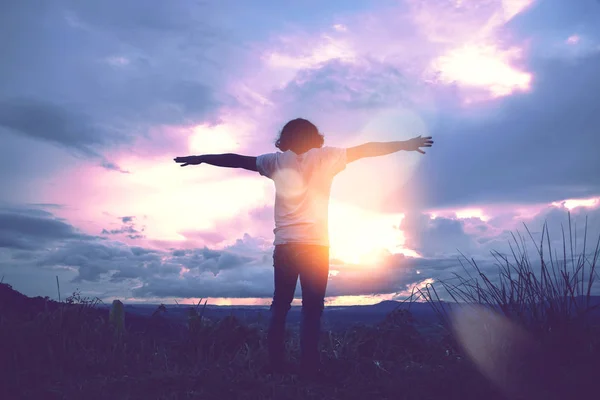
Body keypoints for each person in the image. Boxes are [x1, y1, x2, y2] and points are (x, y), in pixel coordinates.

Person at [174, 118, 433, 378]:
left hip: (285, 245)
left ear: (285, 139)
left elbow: (236, 159)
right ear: (315, 137)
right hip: (316, 246)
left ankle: (275, 366)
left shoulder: (274, 162)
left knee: (280, 305)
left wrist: (201, 158)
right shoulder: (327, 157)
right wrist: (404, 144)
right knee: (312, 308)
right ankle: (309, 367)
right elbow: (366, 149)